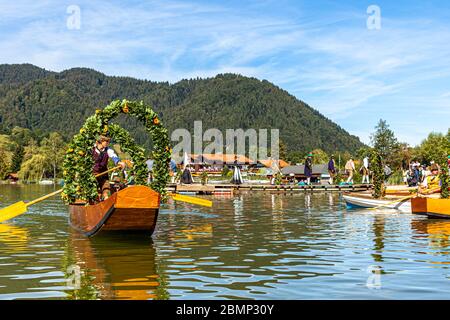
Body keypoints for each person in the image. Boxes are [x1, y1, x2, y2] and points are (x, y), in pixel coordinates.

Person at [92, 135, 126, 201]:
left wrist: (119, 162)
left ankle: (106, 199)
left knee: (106, 187)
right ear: (100, 141)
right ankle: (95, 202)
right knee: (94, 190)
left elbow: (114, 157)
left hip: (103, 173)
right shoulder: (91, 149)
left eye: (108, 141)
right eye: (106, 141)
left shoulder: (108, 150)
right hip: (92, 174)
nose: (108, 143)